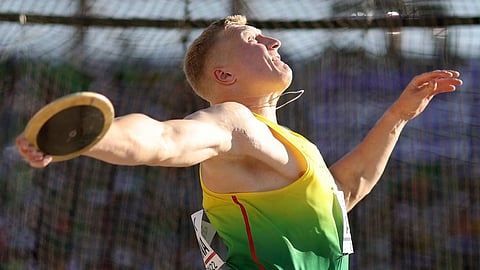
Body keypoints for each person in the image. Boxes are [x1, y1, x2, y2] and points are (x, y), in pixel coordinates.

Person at [16, 15, 462, 270]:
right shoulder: (234, 123)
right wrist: (89, 134)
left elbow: (343, 193)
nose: (274, 39)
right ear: (224, 76)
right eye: (253, 39)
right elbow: (165, 139)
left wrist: (397, 116)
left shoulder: (293, 145)